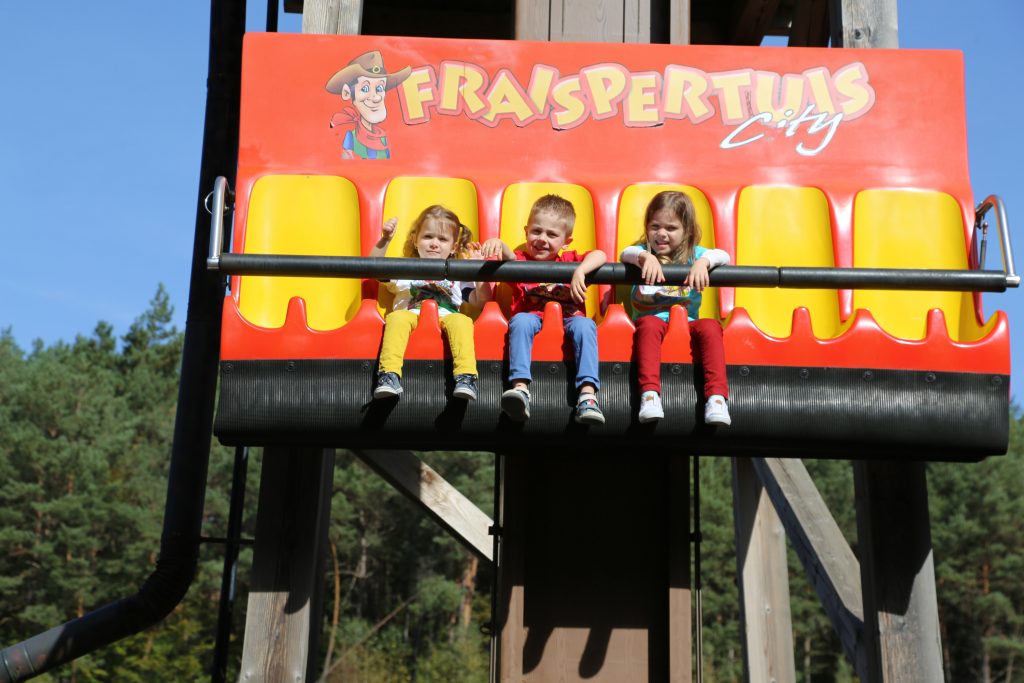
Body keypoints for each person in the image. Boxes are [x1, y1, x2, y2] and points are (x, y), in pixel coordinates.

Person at [481, 194, 607, 424]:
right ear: (526, 230)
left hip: (569, 317)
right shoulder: (522, 260)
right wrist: (499, 244)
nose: (542, 239)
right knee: (520, 322)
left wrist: (580, 271)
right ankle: (520, 388)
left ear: (566, 241)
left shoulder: (570, 260)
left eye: (552, 234)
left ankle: (588, 394)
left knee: (585, 325)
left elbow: (601, 255)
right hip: (531, 316)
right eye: (536, 231)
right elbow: (508, 255)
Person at [620, 190, 731, 425]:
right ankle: (649, 394)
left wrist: (704, 263)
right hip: (652, 319)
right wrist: (644, 258)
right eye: (655, 226)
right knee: (649, 325)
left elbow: (723, 256)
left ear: (687, 231)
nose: (661, 234)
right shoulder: (643, 252)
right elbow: (625, 253)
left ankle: (717, 398)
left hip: (687, 321)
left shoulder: (694, 255)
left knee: (711, 327)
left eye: (671, 228)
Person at [371, 205, 491, 400]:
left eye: (442, 239)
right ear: (415, 240)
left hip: (446, 318)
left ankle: (466, 376)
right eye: (428, 237)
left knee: (462, 321)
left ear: (453, 247)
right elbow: (374, 269)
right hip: (410, 315)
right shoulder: (405, 269)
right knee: (396, 318)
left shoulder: (457, 276)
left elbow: (481, 302)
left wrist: (478, 269)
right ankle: (388, 375)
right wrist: (385, 239)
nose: (434, 243)